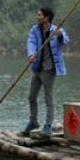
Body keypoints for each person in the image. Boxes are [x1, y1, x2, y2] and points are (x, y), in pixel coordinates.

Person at [24, 7, 69, 136]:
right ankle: (33, 120)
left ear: (46, 17)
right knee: (31, 96)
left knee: (47, 97)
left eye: (39, 15)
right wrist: (31, 55)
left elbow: (65, 40)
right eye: (37, 15)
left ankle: (48, 125)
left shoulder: (56, 30)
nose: (37, 17)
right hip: (37, 67)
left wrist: (60, 35)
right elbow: (31, 42)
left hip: (49, 69)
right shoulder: (34, 30)